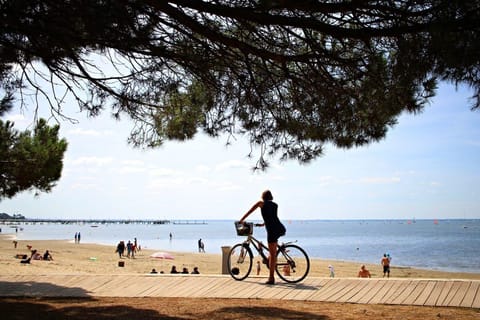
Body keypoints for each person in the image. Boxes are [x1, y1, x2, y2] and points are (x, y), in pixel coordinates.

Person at [239, 190, 286, 285]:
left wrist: (242, 220)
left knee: (272, 255)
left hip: (272, 230)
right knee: (272, 252)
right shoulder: (275, 205)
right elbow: (272, 217)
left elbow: (250, 211)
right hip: (280, 228)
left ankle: (271, 278)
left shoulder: (261, 203)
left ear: (263, 197)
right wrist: (263, 224)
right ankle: (271, 261)